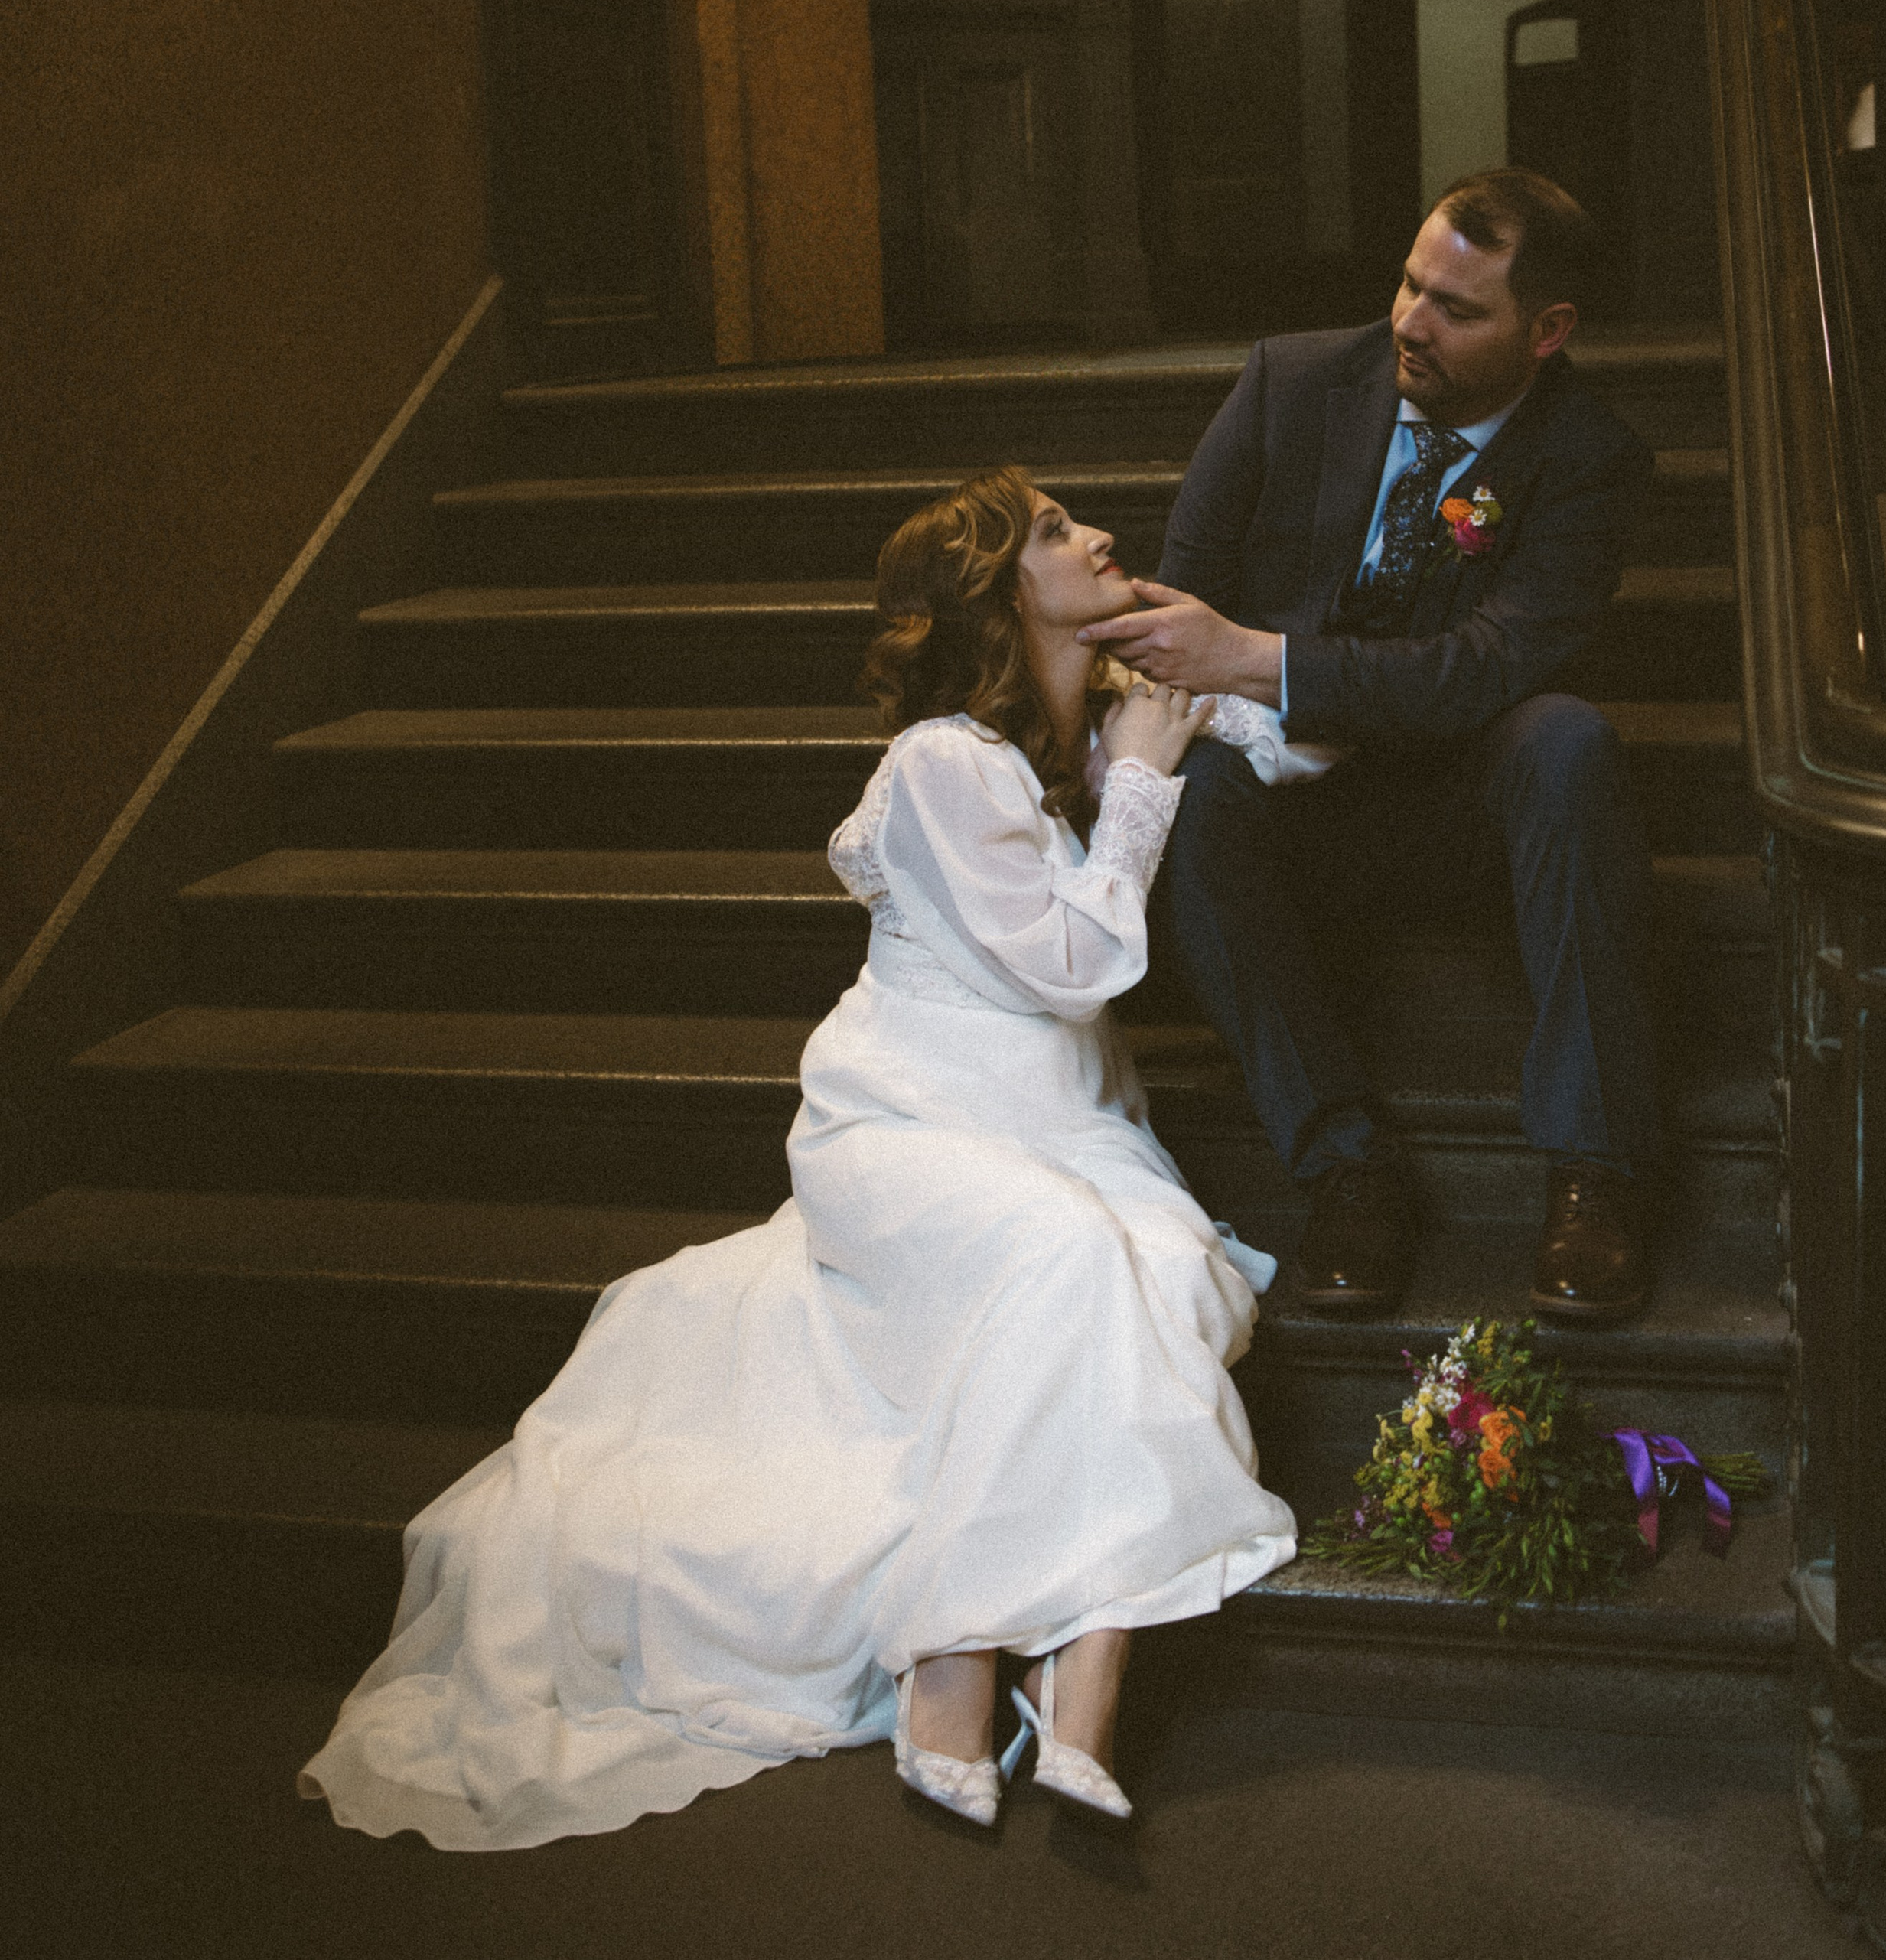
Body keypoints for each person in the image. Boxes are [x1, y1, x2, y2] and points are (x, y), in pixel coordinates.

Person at [297, 465, 1298, 1851]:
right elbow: (1073, 963)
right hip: (907, 1126)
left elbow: (1306, 747)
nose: (1103, 534)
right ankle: (974, 1664)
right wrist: (1138, 787)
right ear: (1000, 597)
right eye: (1060, 531)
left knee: (1180, 1275)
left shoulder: (1108, 727)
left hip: (1067, 1120)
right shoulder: (945, 760)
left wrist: (1223, 673)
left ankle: (1076, 1668)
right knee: (1072, 1260)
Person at [1081, 168, 1660, 1322]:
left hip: (1457, 800)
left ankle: (1596, 1170)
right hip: (1282, 806)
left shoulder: (1591, 457)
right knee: (1183, 784)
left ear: (1547, 333)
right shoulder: (1289, 383)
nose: (1410, 321)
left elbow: (1487, 668)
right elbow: (1178, 606)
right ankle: (1346, 1163)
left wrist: (1254, 655)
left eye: (1458, 308)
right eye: (1408, 284)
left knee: (1569, 739)